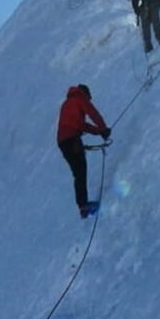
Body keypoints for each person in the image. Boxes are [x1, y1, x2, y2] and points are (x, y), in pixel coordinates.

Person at [57, 84, 111, 218]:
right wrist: (103, 129)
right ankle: (84, 205)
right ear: (85, 94)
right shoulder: (80, 99)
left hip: (62, 142)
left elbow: (82, 125)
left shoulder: (67, 103)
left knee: (78, 172)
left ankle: (83, 206)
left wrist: (99, 132)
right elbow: (93, 114)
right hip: (72, 139)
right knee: (81, 171)